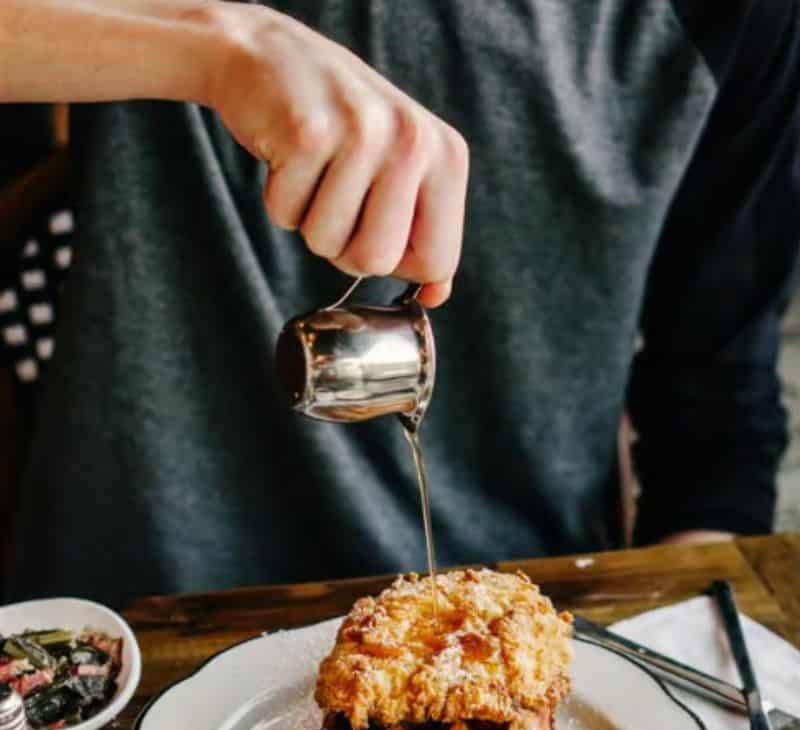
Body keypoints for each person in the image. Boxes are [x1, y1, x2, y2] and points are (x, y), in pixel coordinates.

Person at [2, 0, 798, 607]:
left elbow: (715, 411)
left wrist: (692, 651)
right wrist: (220, 46)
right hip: (131, 607)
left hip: (521, 596)